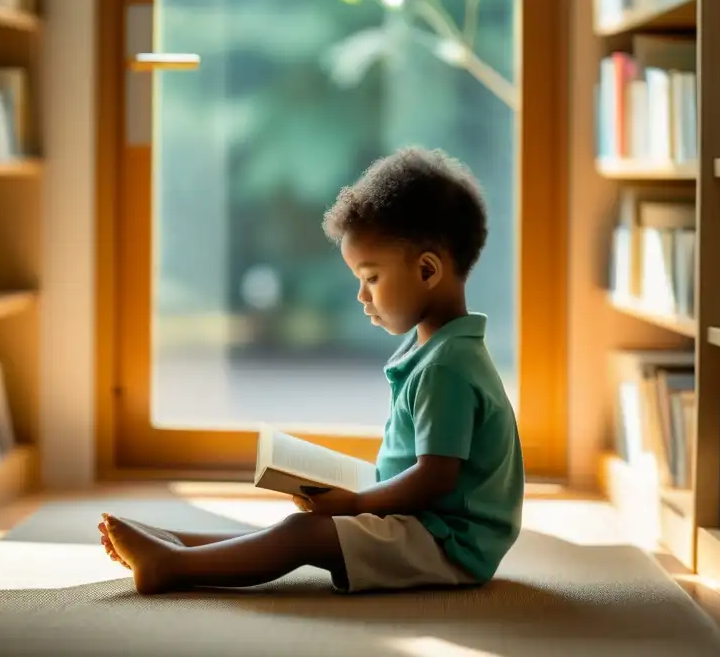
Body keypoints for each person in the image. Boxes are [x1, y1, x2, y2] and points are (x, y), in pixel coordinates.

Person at [99, 146, 525, 595]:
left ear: (426, 269)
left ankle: (172, 568)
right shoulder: (438, 349)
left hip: (447, 542)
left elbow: (434, 478)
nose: (362, 296)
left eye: (372, 278)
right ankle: (178, 545)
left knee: (303, 535)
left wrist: (359, 503)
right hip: (428, 522)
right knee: (302, 526)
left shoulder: (448, 367)